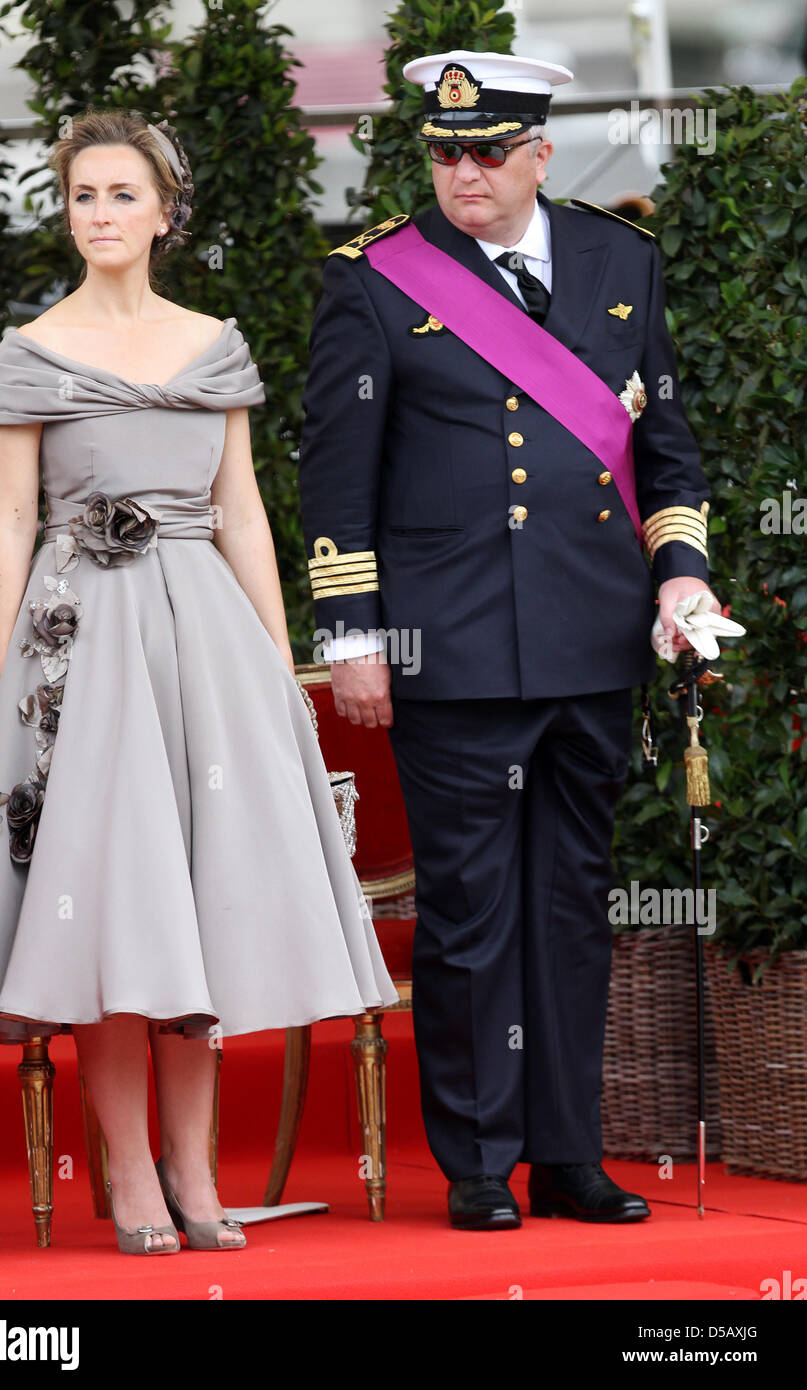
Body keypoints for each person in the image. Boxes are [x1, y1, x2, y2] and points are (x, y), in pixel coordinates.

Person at [0, 109, 398, 1254]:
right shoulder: (29, 348)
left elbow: (241, 510)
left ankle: (197, 1176)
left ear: (165, 213)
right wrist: (2, 674)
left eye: (121, 195)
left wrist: (279, 661)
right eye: (83, 196)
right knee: (111, 912)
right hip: (79, 646)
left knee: (200, 910)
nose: (99, 215)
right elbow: (10, 525)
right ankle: (131, 1178)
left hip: (208, 647)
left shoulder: (215, 342)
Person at [298, 51, 721, 1230]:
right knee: (475, 907)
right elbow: (335, 478)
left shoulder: (619, 257)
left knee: (575, 903)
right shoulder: (376, 279)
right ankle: (482, 1161)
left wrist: (680, 576)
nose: (466, 173)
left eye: (489, 151)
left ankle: (569, 1153)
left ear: (542, 152)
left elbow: (667, 450)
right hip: (454, 645)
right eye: (446, 153)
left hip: (593, 640)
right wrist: (352, 631)